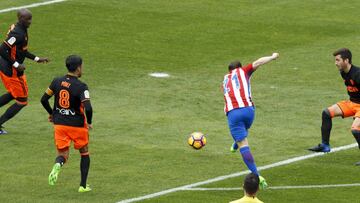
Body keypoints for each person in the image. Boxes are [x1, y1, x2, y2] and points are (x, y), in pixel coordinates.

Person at [222, 53, 279, 189]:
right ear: (239, 67)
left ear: (229, 71)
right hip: (249, 111)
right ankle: (237, 142)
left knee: (243, 144)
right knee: (244, 128)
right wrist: (272, 57)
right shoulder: (243, 71)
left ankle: (257, 175)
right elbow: (258, 62)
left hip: (234, 113)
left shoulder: (224, 80)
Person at [40, 55, 93, 192]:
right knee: (84, 152)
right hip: (77, 125)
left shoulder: (56, 81)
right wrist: (90, 122)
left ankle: (58, 164)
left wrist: (52, 113)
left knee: (63, 155)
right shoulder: (81, 86)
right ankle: (83, 185)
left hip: (60, 125)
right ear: (78, 68)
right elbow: (88, 107)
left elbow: (43, 99)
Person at [0, 8, 49, 134]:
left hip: (4, 66)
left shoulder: (18, 28)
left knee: (13, 93)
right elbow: (2, 49)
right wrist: (16, 64)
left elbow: (22, 50)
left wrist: (37, 59)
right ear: (21, 19)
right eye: (28, 19)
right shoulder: (18, 34)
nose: (30, 21)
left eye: (31, 18)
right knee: (22, 101)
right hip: (12, 71)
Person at [309, 48, 360, 165]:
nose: (335, 63)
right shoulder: (343, 72)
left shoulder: (357, 74)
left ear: (346, 60)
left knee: (355, 130)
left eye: (338, 60)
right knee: (327, 113)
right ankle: (325, 145)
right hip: (352, 103)